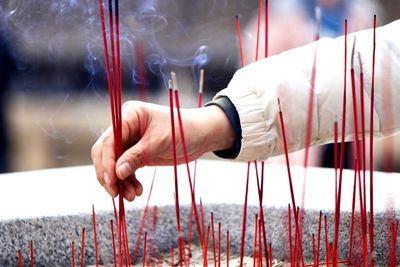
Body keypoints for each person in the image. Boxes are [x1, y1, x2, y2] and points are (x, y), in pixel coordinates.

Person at [92, 19, 400, 201]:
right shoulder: (278, 17)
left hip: (353, 151)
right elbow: (376, 69)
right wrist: (213, 123)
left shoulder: (359, 9)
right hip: (294, 156)